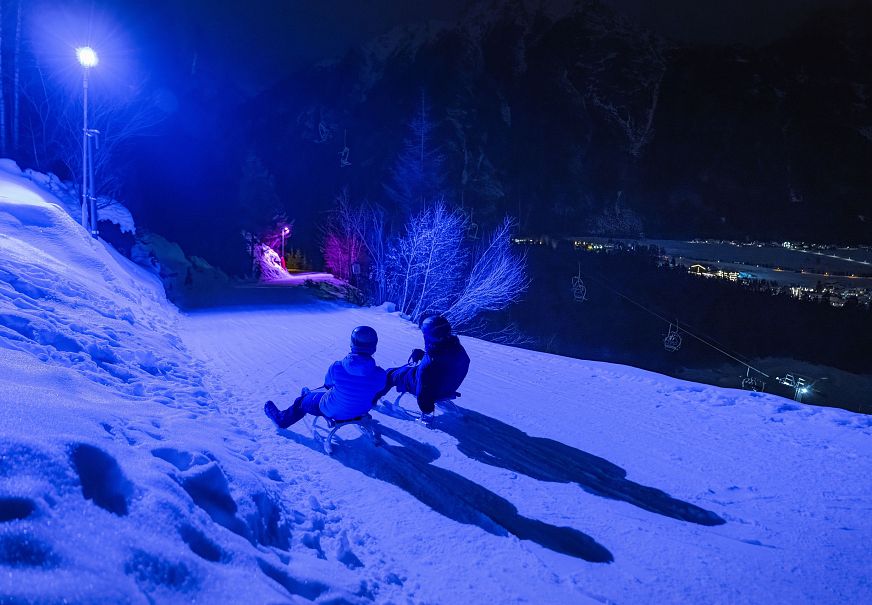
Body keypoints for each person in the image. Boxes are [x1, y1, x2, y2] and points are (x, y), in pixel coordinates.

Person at [265, 326, 387, 428]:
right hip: (361, 410)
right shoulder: (381, 374)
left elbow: (327, 386)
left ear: (352, 344)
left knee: (300, 402)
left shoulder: (337, 367)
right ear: (373, 347)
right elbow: (377, 391)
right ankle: (309, 396)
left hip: (332, 409)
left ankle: (282, 420)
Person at [383, 315, 470, 417]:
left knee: (391, 373)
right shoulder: (458, 349)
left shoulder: (428, 364)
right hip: (446, 387)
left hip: (428, 388)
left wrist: (426, 408)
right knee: (409, 371)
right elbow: (442, 361)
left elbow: (422, 390)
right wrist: (422, 355)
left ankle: (373, 397)